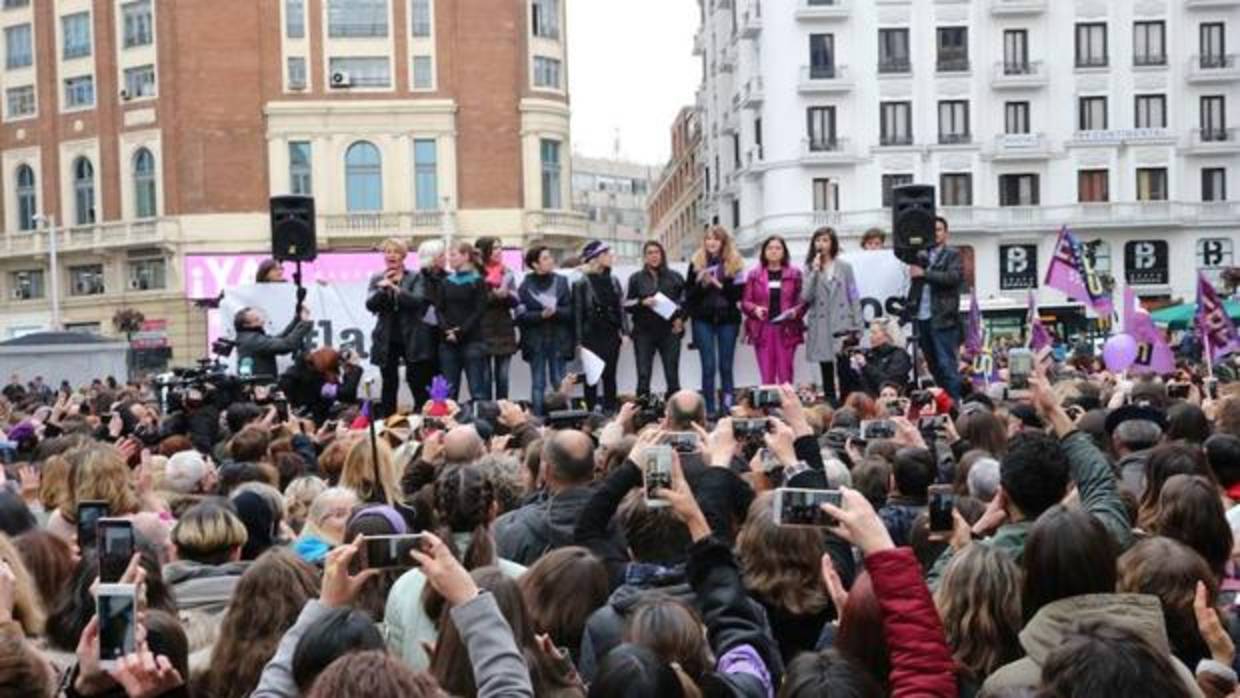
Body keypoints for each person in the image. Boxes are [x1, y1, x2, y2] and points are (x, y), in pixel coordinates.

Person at [684, 225, 745, 417]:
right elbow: (689, 296)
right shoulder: (696, 262)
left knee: (726, 366)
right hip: (703, 320)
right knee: (708, 365)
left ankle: (727, 406)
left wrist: (718, 283)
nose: (711, 242)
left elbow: (738, 295)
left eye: (716, 239)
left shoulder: (736, 263)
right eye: (708, 239)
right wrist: (701, 284)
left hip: (728, 320)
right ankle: (709, 409)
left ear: (723, 242)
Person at [801, 227, 863, 406]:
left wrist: (858, 325)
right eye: (818, 240)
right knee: (825, 366)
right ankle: (830, 403)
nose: (821, 244)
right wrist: (814, 271)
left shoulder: (845, 267)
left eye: (825, 240)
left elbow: (853, 295)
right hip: (821, 323)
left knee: (844, 366)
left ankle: (846, 403)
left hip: (842, 322)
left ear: (832, 243)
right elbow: (806, 296)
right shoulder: (809, 268)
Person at [906, 216, 964, 400]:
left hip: (943, 318)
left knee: (946, 364)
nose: (935, 234)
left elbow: (953, 278)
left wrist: (925, 273)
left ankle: (955, 403)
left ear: (946, 233)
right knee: (932, 366)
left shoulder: (952, 254)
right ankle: (943, 400)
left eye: (939, 230)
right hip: (922, 317)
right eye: (932, 230)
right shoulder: (920, 255)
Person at [365, 238, 422, 418]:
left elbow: (417, 301)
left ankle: (420, 415)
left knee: (415, 378)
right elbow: (370, 305)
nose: (391, 256)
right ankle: (388, 419)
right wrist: (383, 290)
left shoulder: (414, 277)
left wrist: (397, 289)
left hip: (410, 336)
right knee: (389, 381)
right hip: (387, 337)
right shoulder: (377, 277)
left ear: (403, 256)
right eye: (388, 252)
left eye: (395, 252)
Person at [516, 246, 574, 416]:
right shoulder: (526, 285)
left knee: (559, 381)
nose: (551, 261)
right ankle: (539, 419)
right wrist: (540, 315)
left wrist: (556, 311)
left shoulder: (561, 281)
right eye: (545, 258)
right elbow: (521, 316)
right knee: (538, 383)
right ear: (535, 264)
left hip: (558, 338)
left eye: (550, 257)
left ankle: (563, 417)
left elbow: (570, 311)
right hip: (536, 340)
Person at [626, 241, 686, 397]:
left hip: (669, 331)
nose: (654, 256)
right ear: (645, 257)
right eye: (650, 253)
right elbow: (626, 304)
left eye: (657, 252)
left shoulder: (675, 277)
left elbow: (686, 302)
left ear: (662, 254)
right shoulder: (636, 278)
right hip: (644, 332)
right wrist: (642, 302)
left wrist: (681, 319)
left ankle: (675, 411)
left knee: (672, 374)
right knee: (643, 374)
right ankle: (642, 410)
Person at [573, 241, 628, 414]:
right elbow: (578, 313)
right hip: (591, 335)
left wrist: (625, 332)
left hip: (611, 333)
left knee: (610, 374)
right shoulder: (581, 282)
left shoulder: (613, 280)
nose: (611, 257)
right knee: (592, 376)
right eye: (606, 254)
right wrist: (579, 340)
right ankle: (590, 412)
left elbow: (621, 308)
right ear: (595, 258)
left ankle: (610, 410)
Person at [742, 235, 804, 385]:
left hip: (787, 328)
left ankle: (786, 406)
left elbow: (803, 301)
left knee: (785, 374)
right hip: (763, 329)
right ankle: (768, 408)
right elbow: (745, 302)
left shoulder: (795, 274)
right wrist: (755, 309)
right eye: (770, 248)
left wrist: (795, 311)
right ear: (764, 252)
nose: (774, 251)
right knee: (767, 374)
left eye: (778, 248)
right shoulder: (754, 275)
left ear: (784, 252)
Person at [439, 242, 489, 403]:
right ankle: (448, 425)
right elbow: (439, 309)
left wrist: (460, 332)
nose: (449, 259)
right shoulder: (446, 282)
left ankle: (479, 424)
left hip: (472, 340)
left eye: (453, 255)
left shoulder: (477, 281)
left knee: (477, 390)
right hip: (448, 342)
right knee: (448, 391)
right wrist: (447, 330)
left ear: (466, 256)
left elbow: (479, 310)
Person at [475, 237, 519, 401]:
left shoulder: (507, 272)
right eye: (494, 248)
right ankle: (487, 411)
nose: (499, 251)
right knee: (485, 377)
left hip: (504, 328)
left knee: (503, 376)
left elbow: (516, 301)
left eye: (500, 248)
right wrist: (494, 294)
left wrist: (507, 295)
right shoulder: (476, 273)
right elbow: (476, 300)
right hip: (482, 328)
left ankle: (503, 409)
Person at [279, 347, 362, 424]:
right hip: (308, 419)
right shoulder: (314, 382)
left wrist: (347, 372)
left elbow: (346, 395)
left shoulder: (304, 371)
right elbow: (346, 394)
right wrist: (356, 370)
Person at [234, 306, 313, 381]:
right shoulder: (253, 340)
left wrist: (297, 319)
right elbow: (287, 345)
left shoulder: (248, 337)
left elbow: (279, 338)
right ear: (246, 325)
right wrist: (304, 323)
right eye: (257, 320)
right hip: (259, 388)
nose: (262, 321)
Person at [853, 317, 912, 395]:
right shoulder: (870, 354)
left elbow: (890, 383)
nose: (870, 336)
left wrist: (866, 366)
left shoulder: (899, 355)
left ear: (887, 335)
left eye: (874, 333)